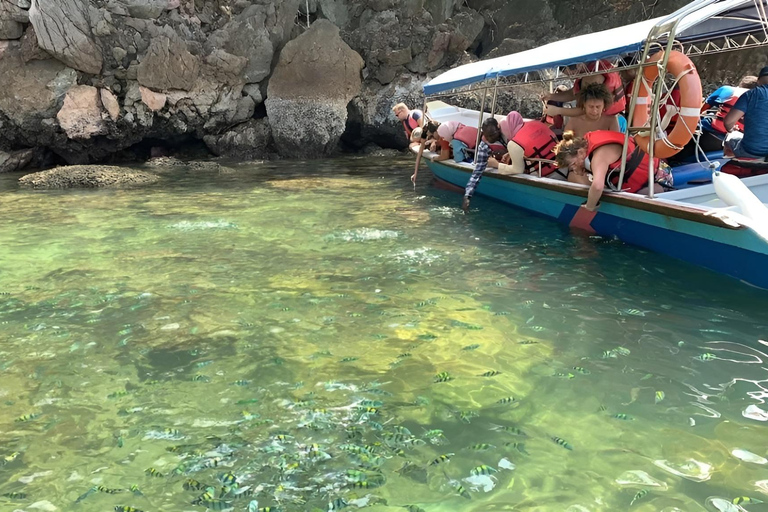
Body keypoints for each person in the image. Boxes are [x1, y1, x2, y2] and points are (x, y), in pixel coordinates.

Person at [554, 130, 672, 211]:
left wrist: (589, 208)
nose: (574, 168)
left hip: (659, 178)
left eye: (573, 164)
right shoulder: (588, 146)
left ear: (580, 152)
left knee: (630, 201)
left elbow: (597, 186)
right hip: (647, 174)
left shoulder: (599, 156)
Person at [486, 111, 560, 178]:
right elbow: (533, 143)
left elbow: (517, 170)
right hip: (563, 166)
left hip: (550, 175)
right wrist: (510, 153)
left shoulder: (514, 144)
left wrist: (496, 165)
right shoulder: (537, 124)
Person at [542, 62, 626, 118]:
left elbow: (586, 110)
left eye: (570, 73)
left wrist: (557, 111)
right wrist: (550, 96)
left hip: (606, 120)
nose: (570, 77)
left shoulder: (593, 77)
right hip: (614, 116)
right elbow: (573, 93)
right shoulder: (593, 69)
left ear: (579, 65)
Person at [724, 67, 768, 159]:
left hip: (752, 151)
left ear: (758, 81)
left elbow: (728, 122)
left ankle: (734, 164)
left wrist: (731, 130)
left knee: (730, 138)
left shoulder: (752, 94)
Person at [462, 118, 503, 212]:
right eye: (487, 136)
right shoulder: (484, 146)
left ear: (498, 128)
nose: (490, 139)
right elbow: (477, 172)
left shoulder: (507, 132)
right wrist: (467, 196)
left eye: (493, 135)